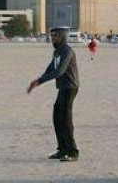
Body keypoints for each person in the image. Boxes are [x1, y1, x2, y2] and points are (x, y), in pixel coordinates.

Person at [27, 28, 79, 161]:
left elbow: (59, 71)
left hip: (70, 88)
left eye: (55, 36)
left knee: (66, 120)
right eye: (52, 36)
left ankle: (72, 152)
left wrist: (40, 81)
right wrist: (39, 80)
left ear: (62, 37)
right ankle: (62, 149)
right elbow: (51, 67)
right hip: (62, 88)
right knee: (57, 118)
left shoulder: (67, 51)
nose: (53, 39)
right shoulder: (58, 51)